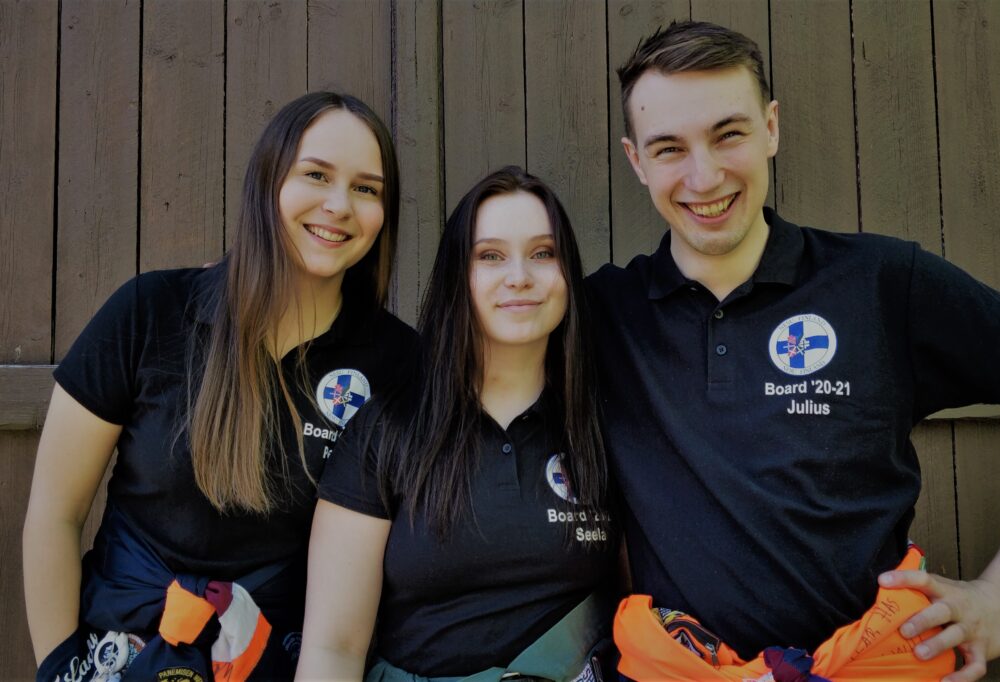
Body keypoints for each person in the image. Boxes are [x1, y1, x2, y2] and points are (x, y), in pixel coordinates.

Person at [586, 20, 1000, 682]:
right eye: (670, 148)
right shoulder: (601, 316)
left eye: (728, 134)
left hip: (875, 668)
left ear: (771, 128)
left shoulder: (881, 283)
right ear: (636, 160)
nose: (704, 176)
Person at [22, 91, 417, 681]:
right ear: (267, 181)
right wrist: (60, 669)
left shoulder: (397, 362)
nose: (339, 205)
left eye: (366, 188)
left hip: (282, 664)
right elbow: (55, 512)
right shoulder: (148, 312)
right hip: (120, 653)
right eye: (316, 175)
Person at [296, 166, 619, 681]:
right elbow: (333, 648)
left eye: (543, 253)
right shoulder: (386, 429)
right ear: (457, 277)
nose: (520, 275)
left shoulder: (605, 425)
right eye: (490, 256)